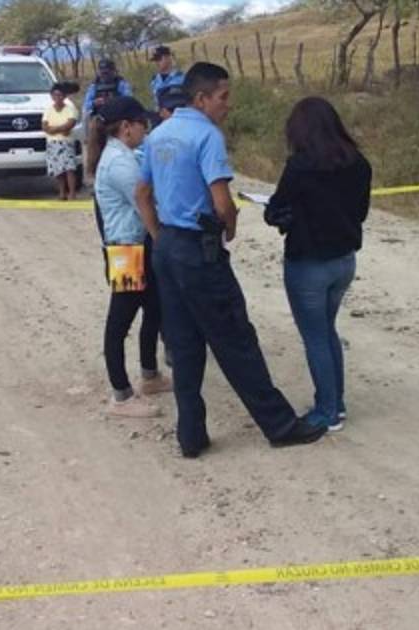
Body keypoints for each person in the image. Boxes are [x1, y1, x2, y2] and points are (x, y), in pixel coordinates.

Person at [135, 62, 326, 458]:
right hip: (198, 251)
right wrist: (230, 229)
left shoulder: (159, 133)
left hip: (168, 249)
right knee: (236, 338)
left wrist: (159, 237)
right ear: (201, 98)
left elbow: (142, 194)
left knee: (184, 344)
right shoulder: (208, 136)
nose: (228, 104)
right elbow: (222, 202)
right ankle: (280, 425)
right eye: (223, 96)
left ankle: (190, 435)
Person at [263, 97, 370, 433]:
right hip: (344, 260)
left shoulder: (300, 167)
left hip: (308, 262)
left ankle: (327, 411)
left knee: (315, 337)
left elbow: (276, 210)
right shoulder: (359, 163)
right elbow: (361, 212)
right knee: (326, 331)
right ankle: (336, 403)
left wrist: (280, 216)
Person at [94, 96, 173, 418]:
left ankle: (150, 375)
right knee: (120, 320)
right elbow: (146, 202)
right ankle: (121, 395)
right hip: (126, 249)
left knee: (154, 309)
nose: (146, 130)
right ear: (127, 127)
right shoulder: (119, 163)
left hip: (139, 245)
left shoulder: (125, 155)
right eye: (143, 124)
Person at [83, 59, 132, 183]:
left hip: (118, 118)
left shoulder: (121, 84)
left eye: (107, 72)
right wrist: (95, 102)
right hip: (100, 118)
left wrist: (114, 101)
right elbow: (86, 105)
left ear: (113, 71)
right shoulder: (94, 86)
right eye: (102, 72)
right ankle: (91, 171)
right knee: (93, 136)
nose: (104, 74)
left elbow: (129, 100)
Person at [42, 81, 80, 200]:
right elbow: (45, 126)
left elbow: (70, 124)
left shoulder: (70, 109)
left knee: (69, 169)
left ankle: (72, 193)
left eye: (60, 95)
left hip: (66, 142)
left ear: (64, 96)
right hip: (52, 143)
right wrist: (60, 129)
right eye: (55, 95)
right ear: (52, 96)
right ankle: (62, 193)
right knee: (58, 170)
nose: (57, 97)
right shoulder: (48, 109)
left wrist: (54, 129)